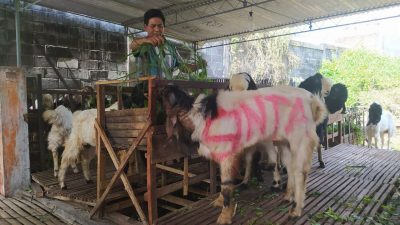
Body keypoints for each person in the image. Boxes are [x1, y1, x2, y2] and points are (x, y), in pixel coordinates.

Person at [129, 9, 203, 78]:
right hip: (146, 88)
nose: (157, 29)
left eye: (160, 26)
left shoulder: (170, 47)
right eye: (153, 26)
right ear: (146, 27)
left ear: (164, 27)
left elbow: (183, 67)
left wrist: (199, 65)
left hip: (166, 87)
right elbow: (133, 45)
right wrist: (146, 40)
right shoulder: (143, 44)